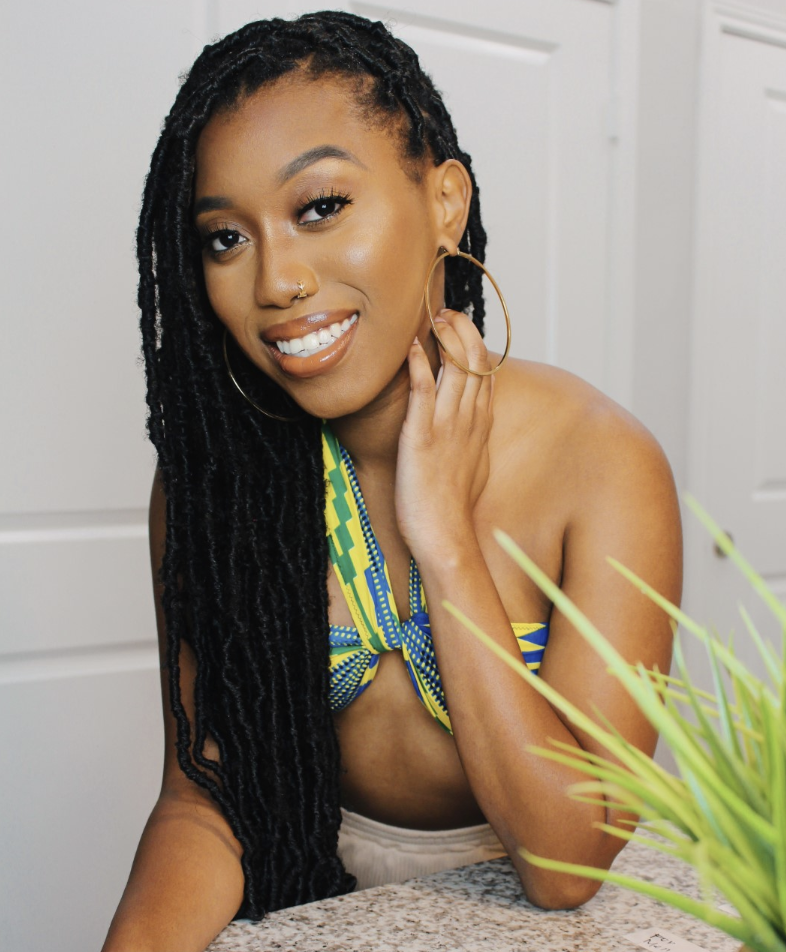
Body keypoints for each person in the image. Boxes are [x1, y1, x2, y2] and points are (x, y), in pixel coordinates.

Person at [102, 10, 682, 952]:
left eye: (320, 206)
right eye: (224, 238)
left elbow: (566, 865)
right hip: (315, 893)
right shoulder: (216, 484)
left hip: (552, 909)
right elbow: (203, 803)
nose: (278, 280)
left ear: (444, 200)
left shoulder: (600, 460)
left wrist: (444, 538)